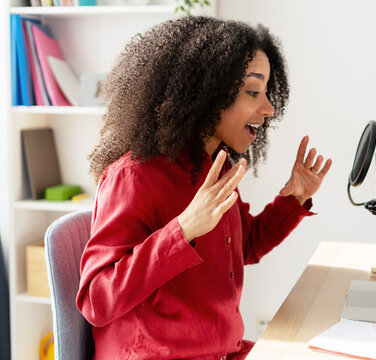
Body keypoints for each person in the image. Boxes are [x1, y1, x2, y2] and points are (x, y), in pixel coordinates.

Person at [76, 16, 331, 360]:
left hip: (222, 350)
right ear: (205, 95)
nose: (268, 109)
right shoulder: (134, 176)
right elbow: (96, 299)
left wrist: (293, 199)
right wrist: (182, 231)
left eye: (267, 92)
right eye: (253, 92)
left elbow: (243, 247)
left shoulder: (216, 163)